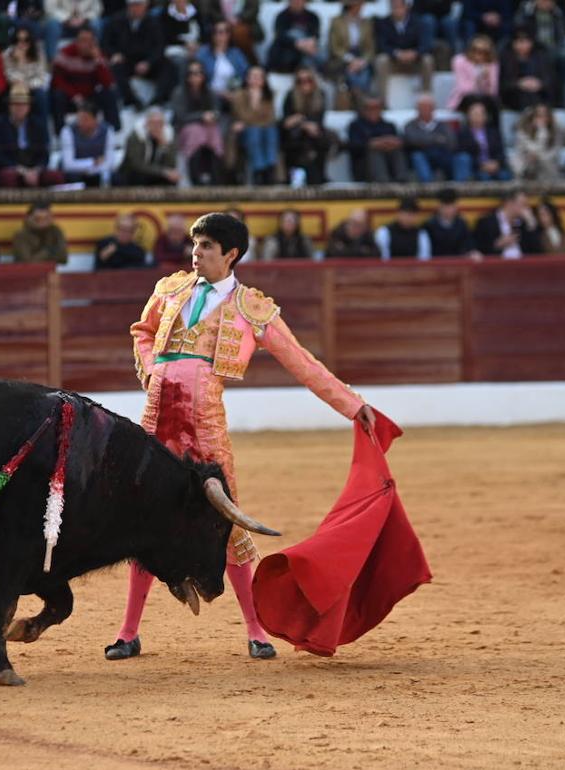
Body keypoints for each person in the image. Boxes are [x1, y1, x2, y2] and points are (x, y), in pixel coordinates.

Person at [105, 211, 376, 662]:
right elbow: (143, 333)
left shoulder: (253, 309)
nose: (196, 253)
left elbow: (304, 364)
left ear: (231, 255)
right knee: (146, 521)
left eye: (207, 246)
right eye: (195, 245)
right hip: (156, 422)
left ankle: (257, 631)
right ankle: (129, 632)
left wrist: (352, 405)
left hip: (205, 423)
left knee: (226, 522)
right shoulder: (169, 290)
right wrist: (152, 367)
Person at [103, 0, 176, 109]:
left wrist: (148, 62)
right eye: (133, 5)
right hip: (126, 60)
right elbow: (105, 42)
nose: (135, 8)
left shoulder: (154, 22)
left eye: (139, 5)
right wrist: (114, 54)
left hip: (148, 62)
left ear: (145, 6)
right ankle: (132, 101)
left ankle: (158, 101)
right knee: (115, 68)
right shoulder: (116, 21)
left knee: (168, 66)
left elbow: (160, 46)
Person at [49, 26, 120, 133]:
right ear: (76, 41)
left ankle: (113, 132)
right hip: (71, 97)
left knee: (109, 93)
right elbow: (57, 81)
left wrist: (98, 61)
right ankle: (60, 133)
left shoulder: (98, 55)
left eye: (88, 41)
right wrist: (74, 96)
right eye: (82, 40)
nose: (85, 44)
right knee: (57, 95)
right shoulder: (65, 53)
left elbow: (107, 83)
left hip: (89, 97)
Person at [0, 88, 62, 188]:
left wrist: (35, 170)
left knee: (55, 177)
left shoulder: (38, 125)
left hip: (33, 168)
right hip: (11, 167)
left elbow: (44, 154)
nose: (20, 108)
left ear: (29, 107)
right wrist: (20, 170)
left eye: (23, 104)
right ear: (10, 106)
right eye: (16, 104)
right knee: (7, 177)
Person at [171, 60, 226, 186]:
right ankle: (195, 179)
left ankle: (216, 179)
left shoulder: (209, 92)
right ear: (187, 75)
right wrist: (201, 116)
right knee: (196, 132)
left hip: (208, 128)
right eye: (192, 73)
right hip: (184, 129)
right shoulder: (179, 92)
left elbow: (217, 111)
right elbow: (181, 116)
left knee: (214, 133)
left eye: (199, 73)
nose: (196, 76)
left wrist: (213, 116)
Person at [279, 66, 331, 186]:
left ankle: (319, 175)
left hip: (314, 131)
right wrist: (303, 125)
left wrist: (308, 125)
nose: (305, 84)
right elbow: (286, 120)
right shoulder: (290, 96)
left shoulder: (321, 95)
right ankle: (299, 176)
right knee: (300, 138)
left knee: (321, 138)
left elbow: (320, 119)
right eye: (301, 81)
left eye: (308, 80)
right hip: (294, 132)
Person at [228, 66, 279, 185]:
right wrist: (254, 116)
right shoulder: (239, 95)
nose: (256, 79)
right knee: (255, 132)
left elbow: (271, 118)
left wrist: (250, 121)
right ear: (247, 78)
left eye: (259, 76)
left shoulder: (270, 95)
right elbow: (242, 115)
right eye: (253, 76)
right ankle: (260, 170)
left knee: (271, 131)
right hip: (246, 134)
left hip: (265, 131)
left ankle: (269, 168)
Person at [375, 0, 433, 102]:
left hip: (414, 61)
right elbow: (381, 45)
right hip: (394, 61)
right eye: (394, 7)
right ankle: (382, 100)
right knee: (381, 60)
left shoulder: (418, 22)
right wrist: (397, 53)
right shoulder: (383, 23)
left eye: (399, 7)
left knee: (428, 60)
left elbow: (426, 45)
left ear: (406, 7)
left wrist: (415, 53)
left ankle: (426, 99)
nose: (396, 10)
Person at [348, 95, 408, 183]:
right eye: (369, 108)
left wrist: (391, 143)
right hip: (365, 168)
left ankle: (402, 180)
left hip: (389, 164)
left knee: (396, 150)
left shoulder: (389, 126)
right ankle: (382, 182)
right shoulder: (355, 126)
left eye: (376, 107)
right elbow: (353, 146)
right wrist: (370, 144)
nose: (373, 110)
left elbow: (400, 142)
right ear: (363, 109)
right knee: (374, 151)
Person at [326, 0, 378, 102]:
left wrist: (363, 61)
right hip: (343, 57)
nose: (361, 7)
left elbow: (370, 47)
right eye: (358, 5)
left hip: (361, 57)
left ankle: (361, 99)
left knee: (364, 71)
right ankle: (359, 99)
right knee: (351, 72)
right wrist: (351, 60)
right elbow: (334, 47)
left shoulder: (366, 22)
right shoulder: (336, 21)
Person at [59, 100, 115, 187]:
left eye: (85, 119)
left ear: (95, 120)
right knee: (72, 178)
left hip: (97, 173)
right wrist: (92, 162)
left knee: (113, 177)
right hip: (76, 174)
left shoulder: (108, 130)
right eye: (79, 119)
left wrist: (91, 170)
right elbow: (68, 164)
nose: (80, 122)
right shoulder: (67, 131)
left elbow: (109, 163)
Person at [119, 108, 180, 186]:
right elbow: (137, 164)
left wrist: (164, 146)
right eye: (153, 123)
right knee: (138, 176)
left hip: (156, 173)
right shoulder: (136, 136)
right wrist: (163, 172)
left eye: (160, 123)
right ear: (146, 123)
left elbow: (172, 164)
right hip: (134, 173)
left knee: (172, 178)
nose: (157, 127)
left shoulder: (169, 136)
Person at [499, 26, 554, 111]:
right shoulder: (505, 57)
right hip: (513, 97)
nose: (522, 45)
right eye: (519, 42)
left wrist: (540, 84)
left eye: (526, 42)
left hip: (538, 94)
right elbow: (502, 83)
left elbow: (549, 79)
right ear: (513, 43)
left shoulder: (541, 56)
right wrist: (519, 83)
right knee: (525, 94)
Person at [453, 101, 509, 182]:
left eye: (481, 114)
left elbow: (501, 152)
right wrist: (482, 165)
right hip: (475, 168)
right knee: (484, 177)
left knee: (505, 176)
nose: (478, 117)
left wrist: (496, 163)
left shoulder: (494, 133)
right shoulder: (463, 134)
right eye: (475, 114)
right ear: (469, 116)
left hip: (494, 167)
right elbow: (463, 154)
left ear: (485, 116)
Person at [474, 189, 540, 258]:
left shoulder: (523, 224)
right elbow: (479, 249)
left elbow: (536, 251)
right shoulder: (487, 222)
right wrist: (498, 245)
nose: (526, 209)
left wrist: (531, 223)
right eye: (523, 204)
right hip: (498, 266)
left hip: (522, 265)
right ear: (509, 203)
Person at [403, 93, 453, 183]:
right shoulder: (410, 125)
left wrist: (424, 139)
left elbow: (451, 142)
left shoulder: (443, 125)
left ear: (433, 109)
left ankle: (455, 186)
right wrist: (437, 139)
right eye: (422, 108)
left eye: (428, 107)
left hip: (440, 156)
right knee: (417, 156)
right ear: (417, 109)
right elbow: (412, 140)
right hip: (421, 156)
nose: (425, 110)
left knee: (455, 157)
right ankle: (428, 187)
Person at [511, 102, 565, 180]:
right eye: (539, 116)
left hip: (547, 166)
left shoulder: (556, 131)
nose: (542, 119)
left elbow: (554, 153)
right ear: (532, 118)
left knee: (545, 163)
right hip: (527, 165)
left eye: (545, 116)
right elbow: (524, 151)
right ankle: (522, 189)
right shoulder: (522, 131)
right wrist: (532, 156)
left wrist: (542, 130)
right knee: (517, 161)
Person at [195, 20, 249, 97]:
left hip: (233, 93)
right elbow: (197, 75)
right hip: (209, 94)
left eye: (226, 32)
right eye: (219, 32)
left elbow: (245, 73)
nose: (223, 35)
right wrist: (218, 93)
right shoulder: (203, 53)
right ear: (213, 35)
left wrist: (233, 90)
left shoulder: (236, 53)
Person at [266, 0, 321, 74]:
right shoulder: (281, 16)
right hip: (288, 48)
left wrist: (308, 43)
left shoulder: (313, 16)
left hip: (308, 47)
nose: (297, 2)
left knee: (320, 54)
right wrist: (296, 43)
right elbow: (280, 35)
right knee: (295, 33)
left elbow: (316, 34)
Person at [448, 34, 498, 113]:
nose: (479, 54)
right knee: (473, 99)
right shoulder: (460, 61)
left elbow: (493, 91)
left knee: (493, 102)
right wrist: (479, 78)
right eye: (476, 50)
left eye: (484, 52)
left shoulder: (492, 65)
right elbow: (463, 88)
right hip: (464, 99)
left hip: (484, 99)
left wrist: (487, 77)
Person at [424, 188, 478, 258]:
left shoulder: (462, 224)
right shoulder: (429, 225)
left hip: (459, 264)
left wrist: (472, 252)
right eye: (445, 206)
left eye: (451, 206)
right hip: (436, 265)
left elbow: (469, 245)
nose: (448, 209)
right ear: (439, 206)